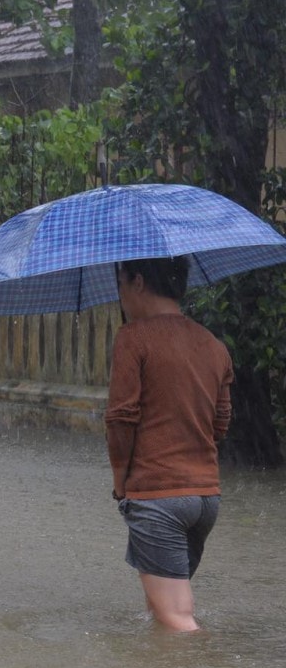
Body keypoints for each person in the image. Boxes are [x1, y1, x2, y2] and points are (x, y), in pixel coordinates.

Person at [106, 256, 233, 633]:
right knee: (158, 611)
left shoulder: (132, 337)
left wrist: (120, 483)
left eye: (121, 283)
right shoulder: (213, 345)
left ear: (138, 282)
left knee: (176, 617)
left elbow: (120, 420)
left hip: (158, 496)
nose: (121, 295)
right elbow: (221, 423)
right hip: (205, 499)